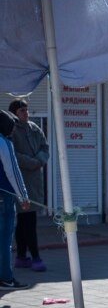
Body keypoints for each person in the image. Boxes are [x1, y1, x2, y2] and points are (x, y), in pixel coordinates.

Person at [8, 100, 48, 272]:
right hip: (20, 181)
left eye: (26, 110)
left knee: (26, 220)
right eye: (21, 110)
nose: (26, 113)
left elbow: (44, 147)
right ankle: (35, 257)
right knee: (27, 221)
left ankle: (22, 257)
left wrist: (40, 160)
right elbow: (12, 153)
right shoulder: (11, 130)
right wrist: (32, 162)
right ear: (14, 113)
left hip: (35, 181)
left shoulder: (34, 128)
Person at [0, 110, 29, 289]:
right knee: (4, 238)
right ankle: (5, 277)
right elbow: (13, 172)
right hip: (4, 198)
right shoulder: (4, 143)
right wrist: (23, 196)